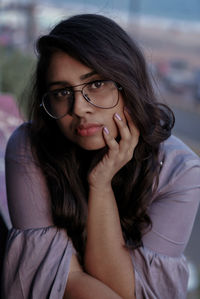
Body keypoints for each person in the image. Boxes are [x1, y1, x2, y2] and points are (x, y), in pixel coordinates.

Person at [1, 14, 200, 299]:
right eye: (61, 91)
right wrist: (100, 183)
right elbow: (62, 280)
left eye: (95, 84)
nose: (79, 108)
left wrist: (101, 183)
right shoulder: (30, 146)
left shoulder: (179, 171)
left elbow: (131, 292)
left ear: (128, 83)